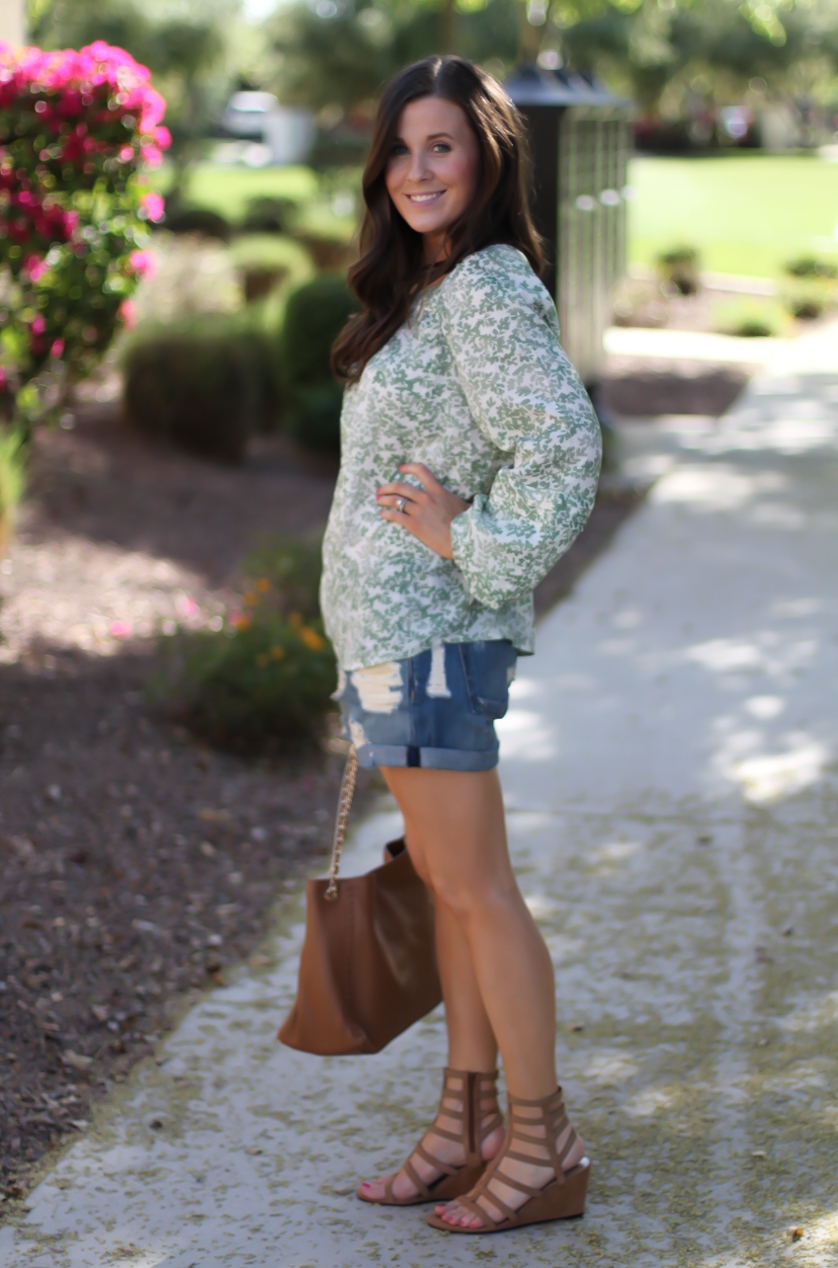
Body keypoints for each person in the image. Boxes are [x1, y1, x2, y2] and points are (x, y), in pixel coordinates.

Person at [321, 54, 601, 1235]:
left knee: (476, 889)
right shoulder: (429, 289)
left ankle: (539, 1141)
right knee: (446, 889)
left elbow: (565, 448)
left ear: (486, 158)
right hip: (393, 641)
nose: (418, 168)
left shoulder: (487, 286)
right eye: (402, 147)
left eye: (443, 145)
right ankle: (463, 1120)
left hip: (434, 635)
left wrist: (469, 541)